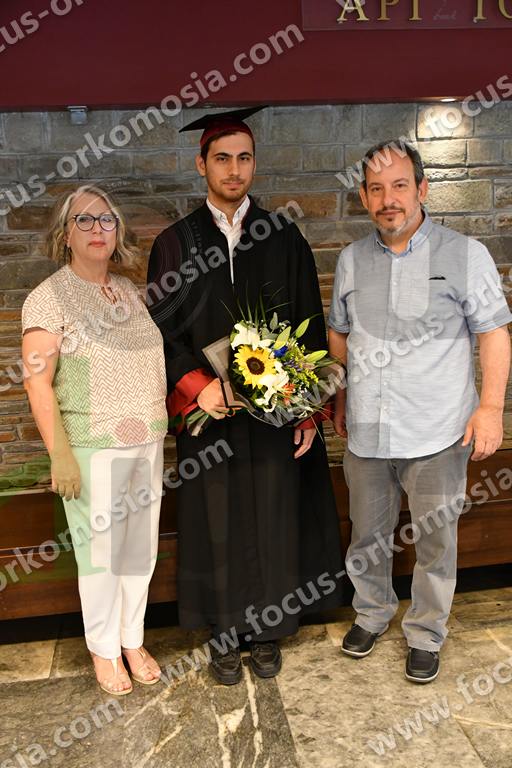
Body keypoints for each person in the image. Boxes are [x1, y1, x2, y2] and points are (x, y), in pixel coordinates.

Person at [147, 107, 344, 685]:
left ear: (254, 164)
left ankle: (268, 630)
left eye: (244, 158)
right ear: (201, 165)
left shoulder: (283, 236)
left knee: (275, 515)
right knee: (217, 520)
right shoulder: (175, 243)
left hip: (275, 413)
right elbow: (158, 330)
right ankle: (223, 632)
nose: (234, 170)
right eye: (222, 159)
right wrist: (196, 385)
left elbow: (310, 322)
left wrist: (307, 411)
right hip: (209, 412)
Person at [328, 141, 512, 683]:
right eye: (376, 189)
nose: (389, 199)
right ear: (364, 197)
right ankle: (371, 613)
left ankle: (427, 633)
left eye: (400, 186)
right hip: (366, 432)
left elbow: (494, 333)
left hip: (437, 432)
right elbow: (340, 334)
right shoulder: (350, 259)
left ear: (422, 189)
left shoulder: (465, 254)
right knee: (366, 536)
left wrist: (491, 408)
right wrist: (340, 400)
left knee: (435, 541)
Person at [22, 185, 168, 695]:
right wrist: (60, 455)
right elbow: (37, 381)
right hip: (92, 444)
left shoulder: (127, 291)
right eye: (83, 221)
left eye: (106, 220)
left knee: (138, 553)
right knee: (102, 556)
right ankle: (104, 649)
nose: (97, 229)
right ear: (65, 235)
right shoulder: (49, 297)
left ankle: (132, 640)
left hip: (146, 440)